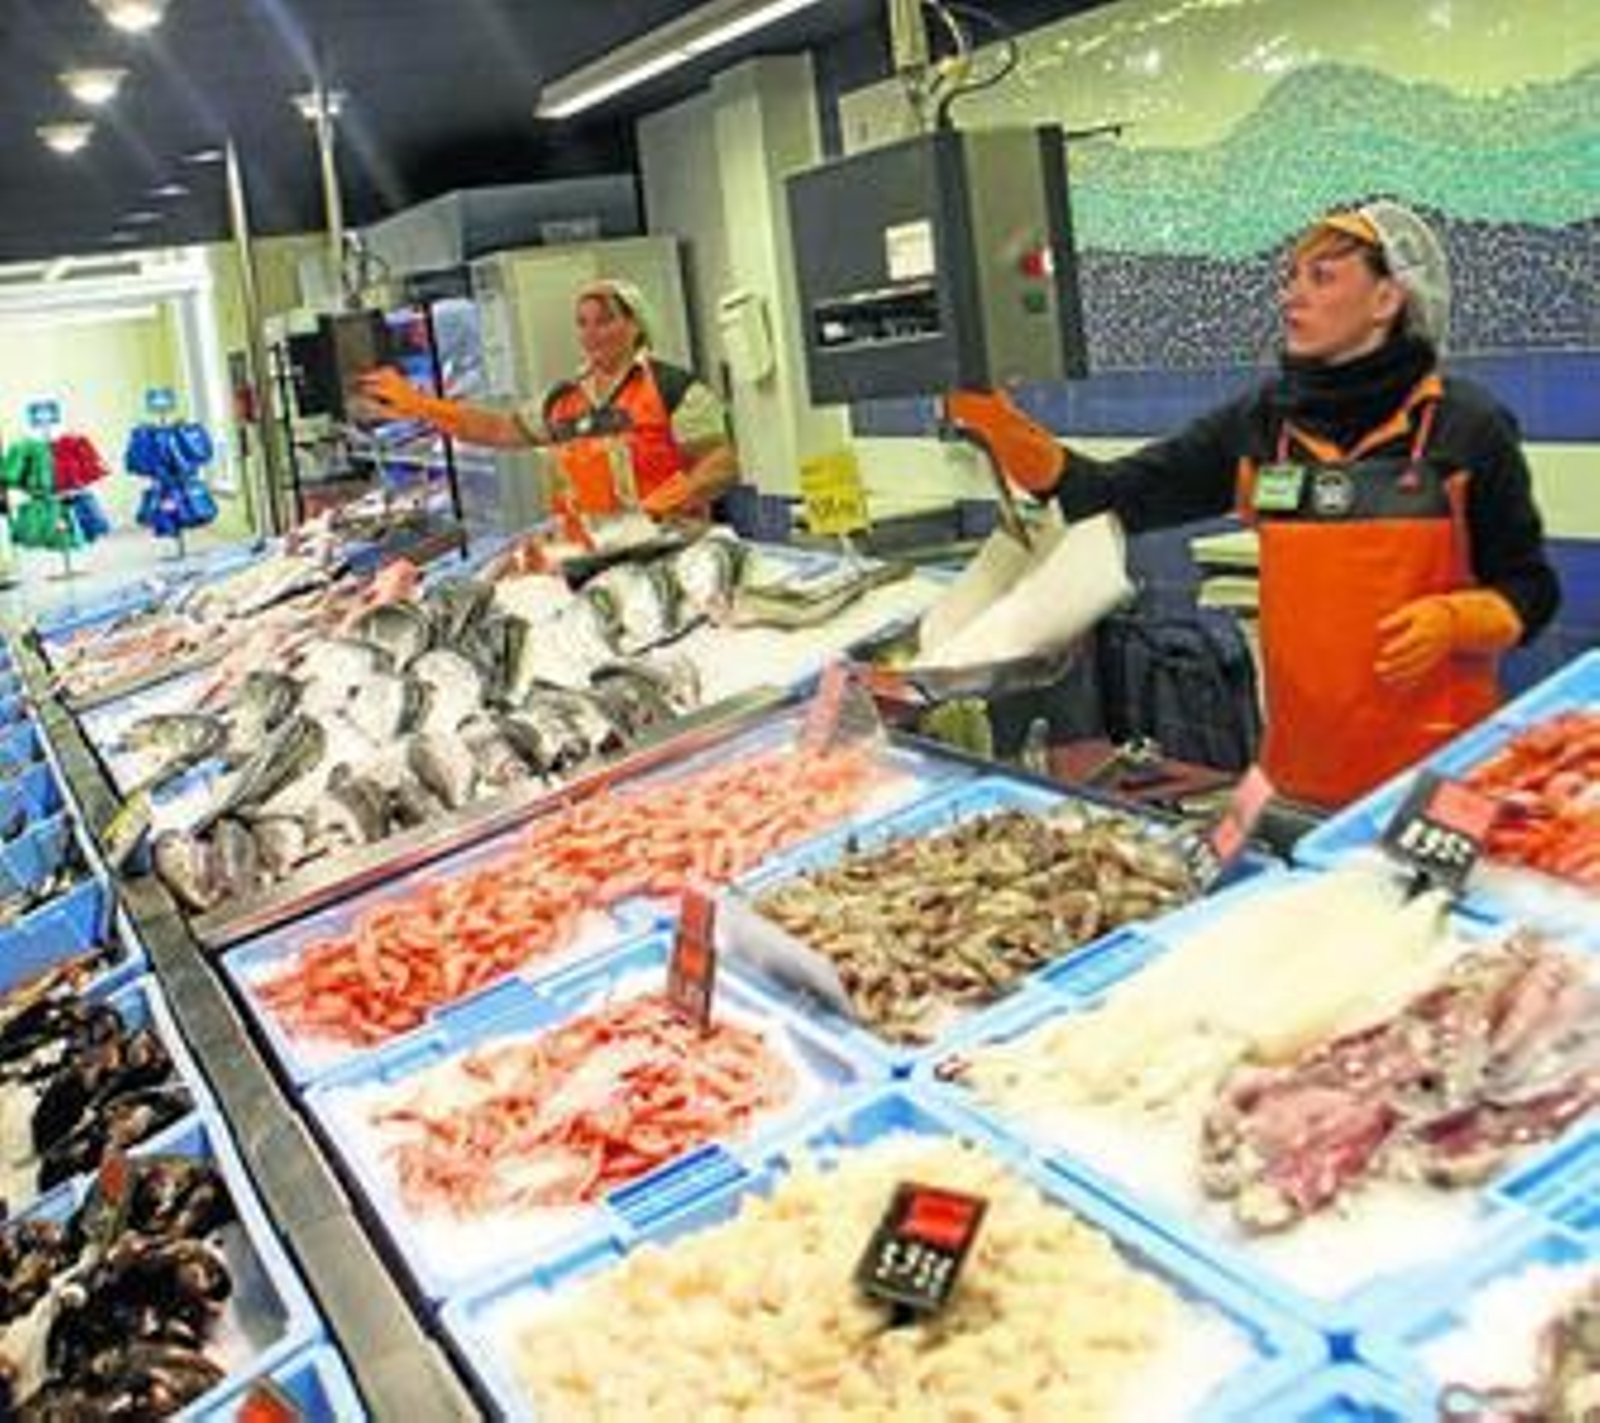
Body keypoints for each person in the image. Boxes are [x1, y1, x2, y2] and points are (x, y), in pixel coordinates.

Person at [948, 199, 1561, 809]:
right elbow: (1106, 498)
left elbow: (1530, 591)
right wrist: (996, 422)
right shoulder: (1263, 426)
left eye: (1322, 277)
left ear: (1386, 300)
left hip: (1436, 783)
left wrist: (1456, 620)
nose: (1292, 296)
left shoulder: (1466, 427)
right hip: (1297, 779)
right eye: (1291, 278)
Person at [359, 278, 738, 523]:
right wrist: (420, 405)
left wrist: (662, 505)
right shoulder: (564, 398)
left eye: (604, 321)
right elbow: (497, 429)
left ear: (635, 324)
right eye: (582, 323)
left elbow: (721, 464)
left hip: (672, 553)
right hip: (593, 559)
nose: (591, 334)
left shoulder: (674, 388)